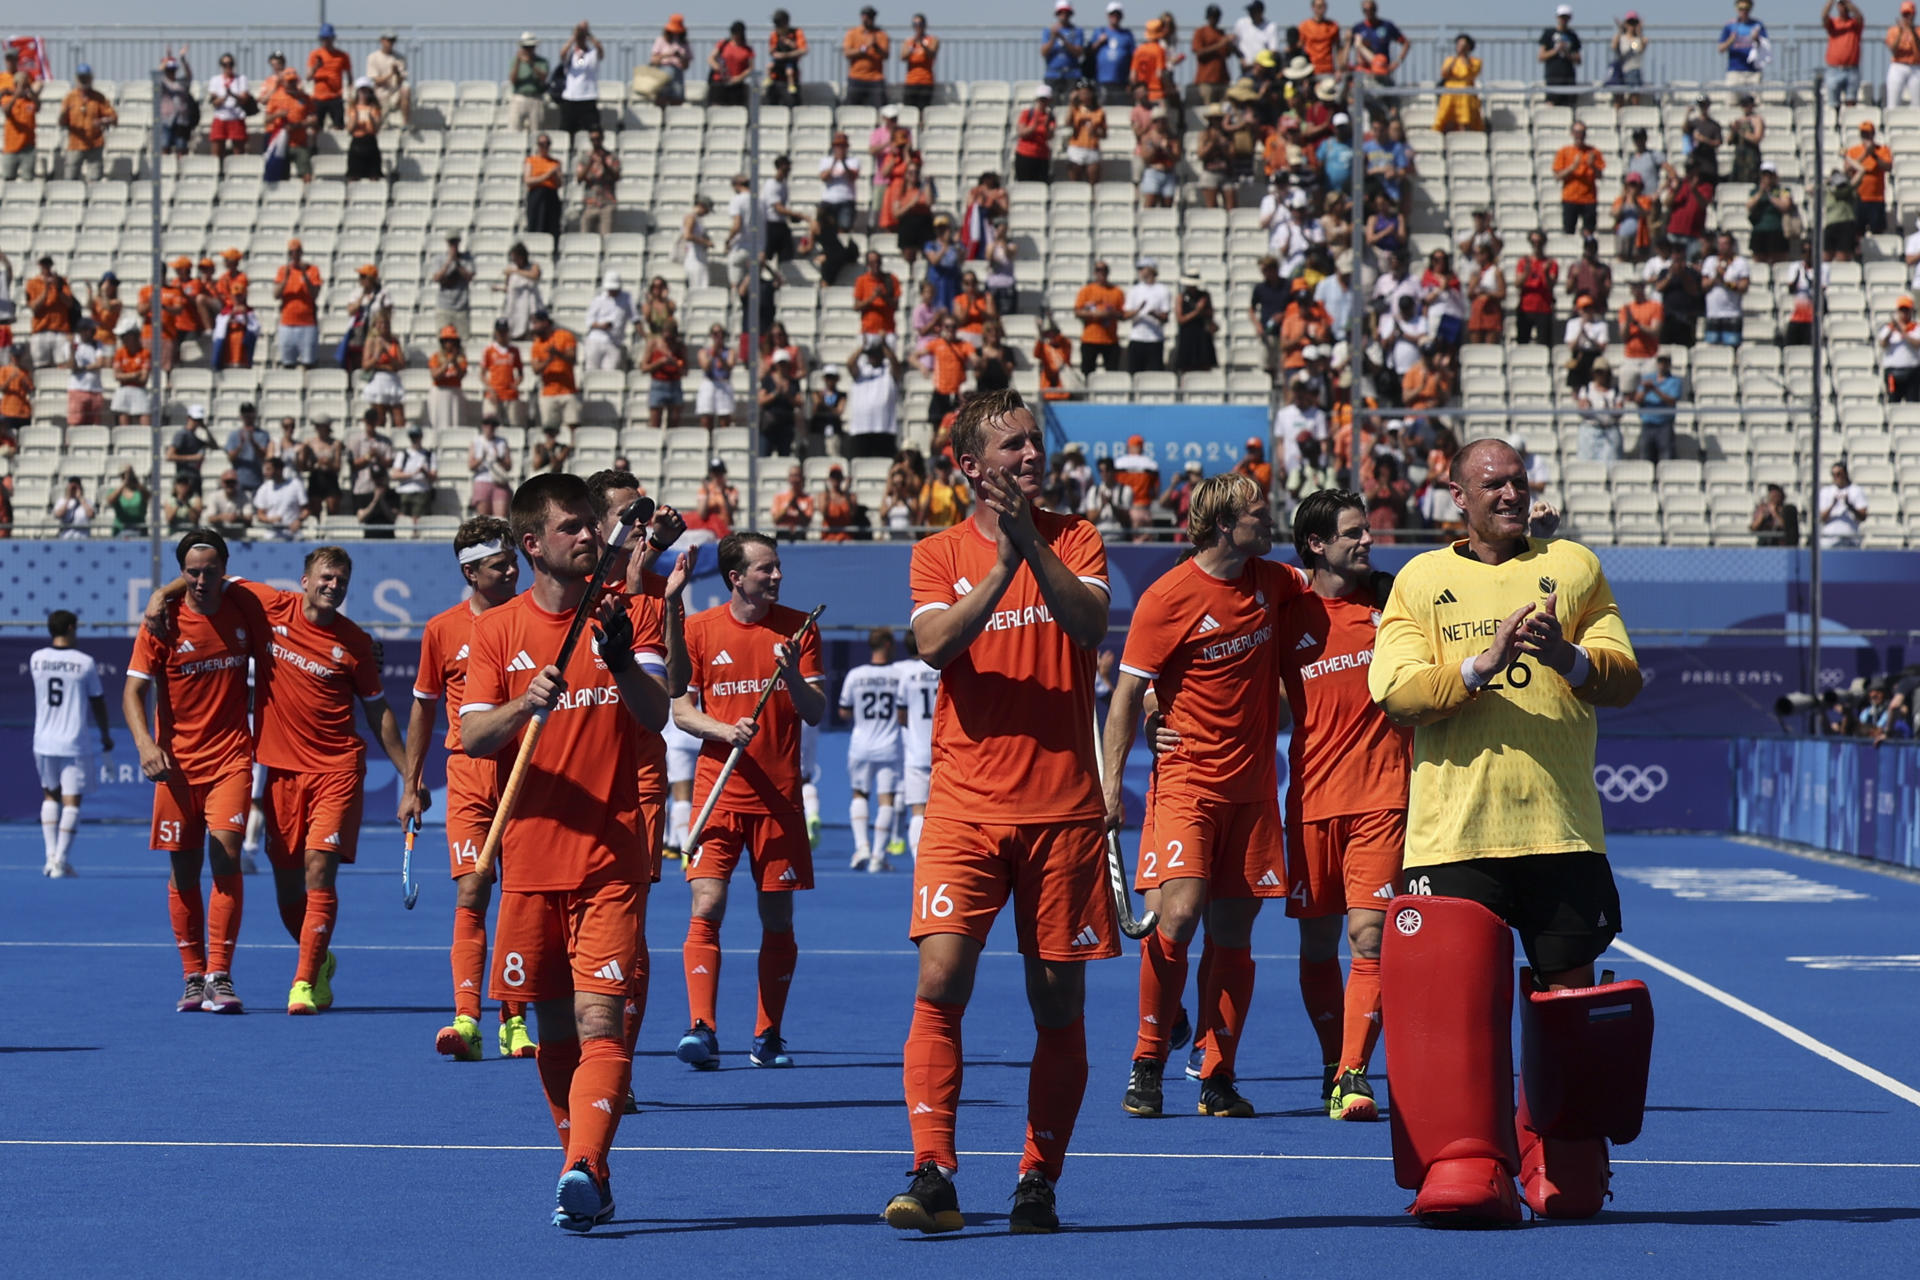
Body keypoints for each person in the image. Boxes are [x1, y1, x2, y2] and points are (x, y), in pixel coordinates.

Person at [1369, 436, 1648, 1227]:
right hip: (1452, 837)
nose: (1509, 494)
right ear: (1457, 496)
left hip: (1559, 831)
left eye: (1519, 482)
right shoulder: (1421, 581)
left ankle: (1562, 1155)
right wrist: (1477, 667)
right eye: (1491, 484)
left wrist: (1567, 656)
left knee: (1568, 1001)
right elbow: (1394, 693)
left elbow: (1623, 678)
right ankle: (1466, 1159)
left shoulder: (1576, 567)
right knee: (1457, 1009)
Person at [885, 389, 1114, 1236]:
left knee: (1056, 1005)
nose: (1030, 456)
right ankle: (934, 1169)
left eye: (1034, 443)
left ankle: (1037, 1175)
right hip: (965, 808)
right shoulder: (937, 552)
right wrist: (1001, 565)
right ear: (969, 466)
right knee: (940, 981)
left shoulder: (1078, 536)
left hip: (1063, 813)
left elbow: (1089, 623)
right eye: (1012, 446)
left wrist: (1032, 546)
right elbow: (936, 645)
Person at [460, 473, 676, 1231]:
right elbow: (471, 736)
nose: (590, 536)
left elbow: (656, 717)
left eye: (594, 524)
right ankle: (586, 1168)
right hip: (527, 862)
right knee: (553, 1036)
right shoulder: (495, 632)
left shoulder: (632, 613)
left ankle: (584, 1162)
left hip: (611, 860)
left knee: (599, 1024)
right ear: (531, 544)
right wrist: (527, 703)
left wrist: (618, 662)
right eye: (572, 528)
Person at [1101, 471, 1309, 1120]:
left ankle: (1218, 1074)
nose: (1270, 520)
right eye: (1258, 512)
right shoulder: (1168, 596)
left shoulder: (1276, 582)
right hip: (1187, 783)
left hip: (1252, 791)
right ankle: (1148, 1058)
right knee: (1180, 915)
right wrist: (1111, 786)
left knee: (1233, 933)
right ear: (1225, 523)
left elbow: (1335, 583)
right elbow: (1130, 695)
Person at [147, 545, 420, 1019]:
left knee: (319, 869)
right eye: (325, 578)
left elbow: (378, 712)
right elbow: (210, 576)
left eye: (341, 580)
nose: (333, 586)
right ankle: (321, 960)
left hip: (337, 770)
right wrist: (159, 594)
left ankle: (301, 983)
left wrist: (410, 780)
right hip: (281, 775)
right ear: (305, 580)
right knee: (288, 893)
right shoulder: (270, 607)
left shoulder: (355, 643)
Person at [673, 532, 825, 1073]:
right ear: (735, 577)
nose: (777, 576)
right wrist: (722, 729)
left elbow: (815, 710)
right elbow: (682, 713)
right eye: (766, 568)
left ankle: (768, 1035)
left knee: (777, 920)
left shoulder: (801, 627)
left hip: (779, 799)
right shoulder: (698, 629)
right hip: (719, 794)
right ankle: (701, 1027)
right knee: (706, 906)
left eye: (779, 566)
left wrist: (789, 677)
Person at [403, 518, 533, 1059]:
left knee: (524, 898)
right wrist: (412, 783)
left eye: (512, 560)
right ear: (470, 572)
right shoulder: (442, 629)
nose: (511, 569)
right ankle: (466, 1016)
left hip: (528, 772)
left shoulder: (534, 618)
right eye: (498, 563)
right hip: (469, 775)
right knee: (473, 890)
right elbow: (423, 706)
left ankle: (516, 1019)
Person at [125, 529, 263, 1011]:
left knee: (225, 856)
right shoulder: (162, 624)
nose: (201, 580)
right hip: (177, 767)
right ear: (182, 572)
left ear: (225, 568)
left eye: (210, 570)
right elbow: (132, 693)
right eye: (191, 572)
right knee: (182, 866)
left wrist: (161, 588)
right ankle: (192, 976)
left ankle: (221, 975)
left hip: (231, 758)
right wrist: (145, 744)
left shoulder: (243, 604)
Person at [30, 609, 111, 877]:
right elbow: (97, 702)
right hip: (74, 741)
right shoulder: (85, 662)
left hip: (43, 740)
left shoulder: (36, 659)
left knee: (49, 794)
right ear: (71, 628)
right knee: (72, 801)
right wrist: (105, 735)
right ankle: (61, 860)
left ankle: (50, 857)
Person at [839, 628, 906, 872]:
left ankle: (862, 848)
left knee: (859, 794)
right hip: (889, 746)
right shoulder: (900, 675)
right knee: (886, 798)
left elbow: (844, 711)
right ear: (888, 644)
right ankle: (878, 856)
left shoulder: (856, 675)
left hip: (860, 746)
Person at [59, 64, 117, 180]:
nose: (84, 81)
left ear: (91, 78)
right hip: (76, 144)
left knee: (94, 179)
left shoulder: (99, 97)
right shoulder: (70, 97)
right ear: (77, 79)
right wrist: (64, 114)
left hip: (94, 144)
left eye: (86, 77)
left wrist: (102, 121)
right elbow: (61, 122)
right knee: (70, 178)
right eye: (81, 78)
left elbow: (113, 117)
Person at [272, 240, 322, 369]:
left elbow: (315, 294)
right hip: (288, 323)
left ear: (301, 253)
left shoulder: (312, 270)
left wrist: (304, 275)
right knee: (288, 363)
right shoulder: (283, 271)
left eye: (297, 252)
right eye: (291, 252)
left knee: (308, 362)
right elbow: (276, 295)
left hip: (307, 323)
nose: (294, 255)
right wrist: (286, 279)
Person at [1699, 232, 1751, 348]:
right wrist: (1715, 278)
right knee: (1712, 349)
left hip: (1732, 314)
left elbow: (1743, 287)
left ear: (1732, 245)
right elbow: (1704, 285)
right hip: (1713, 313)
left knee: (1732, 348)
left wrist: (1725, 282)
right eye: (1720, 243)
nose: (1722, 246)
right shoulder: (1710, 261)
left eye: (1725, 243)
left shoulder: (1740, 263)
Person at [1554, 123, 1604, 238]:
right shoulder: (1564, 151)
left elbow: (1600, 175)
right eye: (1577, 132)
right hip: (1570, 198)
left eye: (1582, 133)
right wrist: (1572, 167)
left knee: (1589, 233)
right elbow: (1557, 176)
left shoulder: (1593, 152)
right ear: (1572, 134)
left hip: (1589, 199)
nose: (1579, 136)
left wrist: (1592, 166)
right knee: (1569, 232)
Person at [1632, 353, 1684, 463]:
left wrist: (1655, 389)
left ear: (1669, 364)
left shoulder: (1675, 381)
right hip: (1647, 425)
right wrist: (1646, 390)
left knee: (1666, 459)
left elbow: (1672, 401)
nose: (1662, 365)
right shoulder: (1647, 378)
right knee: (1645, 459)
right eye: (1660, 362)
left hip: (1664, 425)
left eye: (1665, 362)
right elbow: (1637, 400)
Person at [1845, 121, 1892, 238]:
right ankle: (1859, 254)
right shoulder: (1854, 150)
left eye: (1868, 134)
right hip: (1859, 197)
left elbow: (1888, 167)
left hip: (1876, 198)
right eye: (1863, 134)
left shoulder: (1882, 149)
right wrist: (1865, 154)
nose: (1865, 136)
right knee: (1857, 232)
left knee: (1877, 231)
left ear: (1873, 134)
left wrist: (1874, 155)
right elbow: (1847, 169)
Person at [557, 23, 605, 137]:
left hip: (588, 98)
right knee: (566, 132)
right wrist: (574, 37)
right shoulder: (571, 54)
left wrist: (588, 35)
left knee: (593, 131)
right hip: (570, 98)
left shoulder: (592, 54)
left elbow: (600, 49)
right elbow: (562, 54)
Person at [306, 24, 351, 132]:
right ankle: (315, 148)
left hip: (335, 96)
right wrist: (316, 67)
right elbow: (308, 77)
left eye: (328, 38)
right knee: (316, 127)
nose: (326, 41)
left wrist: (350, 92)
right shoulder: (315, 55)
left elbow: (349, 76)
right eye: (324, 38)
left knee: (339, 126)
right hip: (319, 97)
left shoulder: (342, 55)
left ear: (333, 38)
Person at [1092, 4, 1139, 104]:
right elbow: (1090, 51)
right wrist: (1099, 42)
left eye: (1118, 14)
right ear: (1108, 16)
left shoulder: (1127, 34)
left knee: (1120, 110)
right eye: (1112, 14)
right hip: (1102, 80)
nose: (1115, 17)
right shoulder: (1099, 32)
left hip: (1121, 81)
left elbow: (1134, 56)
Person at [1539, 5, 1583, 107]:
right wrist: (1556, 50)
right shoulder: (1548, 33)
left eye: (1566, 17)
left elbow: (1578, 59)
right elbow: (1541, 56)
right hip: (1553, 78)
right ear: (1557, 17)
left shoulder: (1573, 35)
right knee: (1551, 106)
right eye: (1562, 17)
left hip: (1568, 78)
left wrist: (1567, 53)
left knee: (1568, 107)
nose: (1563, 19)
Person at [1817, 461, 1868, 548]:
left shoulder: (1856, 490)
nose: (1836, 477)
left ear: (1845, 474)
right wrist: (1833, 505)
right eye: (1833, 474)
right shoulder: (1825, 492)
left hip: (1850, 540)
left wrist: (1849, 506)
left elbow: (1863, 516)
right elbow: (1821, 518)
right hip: (1829, 541)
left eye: (1839, 474)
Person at [1824, 1, 1865, 107]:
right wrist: (1831, 2)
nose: (1844, 7)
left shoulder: (1855, 24)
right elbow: (1824, 16)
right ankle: (1834, 123)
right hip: (1834, 70)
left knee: (1851, 102)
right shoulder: (1833, 23)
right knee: (1833, 104)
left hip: (1852, 69)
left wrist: (1847, 3)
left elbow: (1860, 16)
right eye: (1841, 4)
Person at [1719, 0, 1769, 85]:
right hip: (1734, 70)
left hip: (1754, 70)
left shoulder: (1758, 25)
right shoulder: (1729, 25)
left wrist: (1756, 39)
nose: (1744, 11)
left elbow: (1765, 46)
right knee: (1731, 97)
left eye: (1747, 8)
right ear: (1737, 8)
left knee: (1756, 97)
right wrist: (1730, 40)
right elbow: (1720, 49)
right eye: (1741, 8)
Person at [525, 133, 564, 241]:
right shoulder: (531, 160)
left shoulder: (555, 162)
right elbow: (528, 180)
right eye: (541, 144)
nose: (544, 146)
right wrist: (547, 175)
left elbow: (559, 184)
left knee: (551, 226)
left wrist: (556, 175)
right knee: (536, 224)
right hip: (536, 196)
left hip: (551, 196)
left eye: (547, 144)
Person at [646, 19, 691, 107]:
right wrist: (667, 55)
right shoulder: (660, 40)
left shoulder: (684, 43)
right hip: (662, 72)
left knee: (677, 98)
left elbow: (686, 66)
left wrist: (681, 57)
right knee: (661, 97)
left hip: (678, 73)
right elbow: (653, 60)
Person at [344, 81, 383, 182]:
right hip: (357, 143)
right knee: (353, 176)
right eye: (362, 91)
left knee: (374, 176)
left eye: (366, 91)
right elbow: (349, 130)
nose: (364, 94)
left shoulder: (375, 108)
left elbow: (376, 128)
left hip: (370, 142)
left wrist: (371, 119)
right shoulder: (352, 108)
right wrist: (356, 118)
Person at [1750, 482, 1799, 547]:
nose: (1773, 497)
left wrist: (1774, 513)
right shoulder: (1762, 508)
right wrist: (1761, 516)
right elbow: (1753, 527)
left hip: (1780, 545)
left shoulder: (1786, 510)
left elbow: (1785, 526)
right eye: (1772, 494)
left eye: (1776, 495)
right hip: (1764, 545)